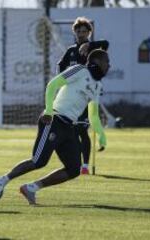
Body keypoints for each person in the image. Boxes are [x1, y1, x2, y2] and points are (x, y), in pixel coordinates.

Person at [0, 49, 110, 205]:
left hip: (69, 126)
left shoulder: (97, 86)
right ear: (97, 61)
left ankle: (31, 188)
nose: (109, 66)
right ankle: (1, 181)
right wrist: (49, 110)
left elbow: (93, 115)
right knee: (38, 161)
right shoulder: (79, 70)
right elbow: (52, 84)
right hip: (53, 119)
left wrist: (101, 135)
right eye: (106, 62)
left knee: (74, 169)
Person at [57, 16, 109, 174]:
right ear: (75, 32)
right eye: (78, 31)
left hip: (87, 95)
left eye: (84, 31)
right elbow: (61, 65)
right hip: (72, 97)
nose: (81, 33)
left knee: (82, 130)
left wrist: (89, 44)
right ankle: (77, 163)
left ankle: (85, 165)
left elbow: (106, 43)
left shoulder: (94, 49)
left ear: (89, 32)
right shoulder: (71, 51)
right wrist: (64, 81)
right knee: (73, 131)